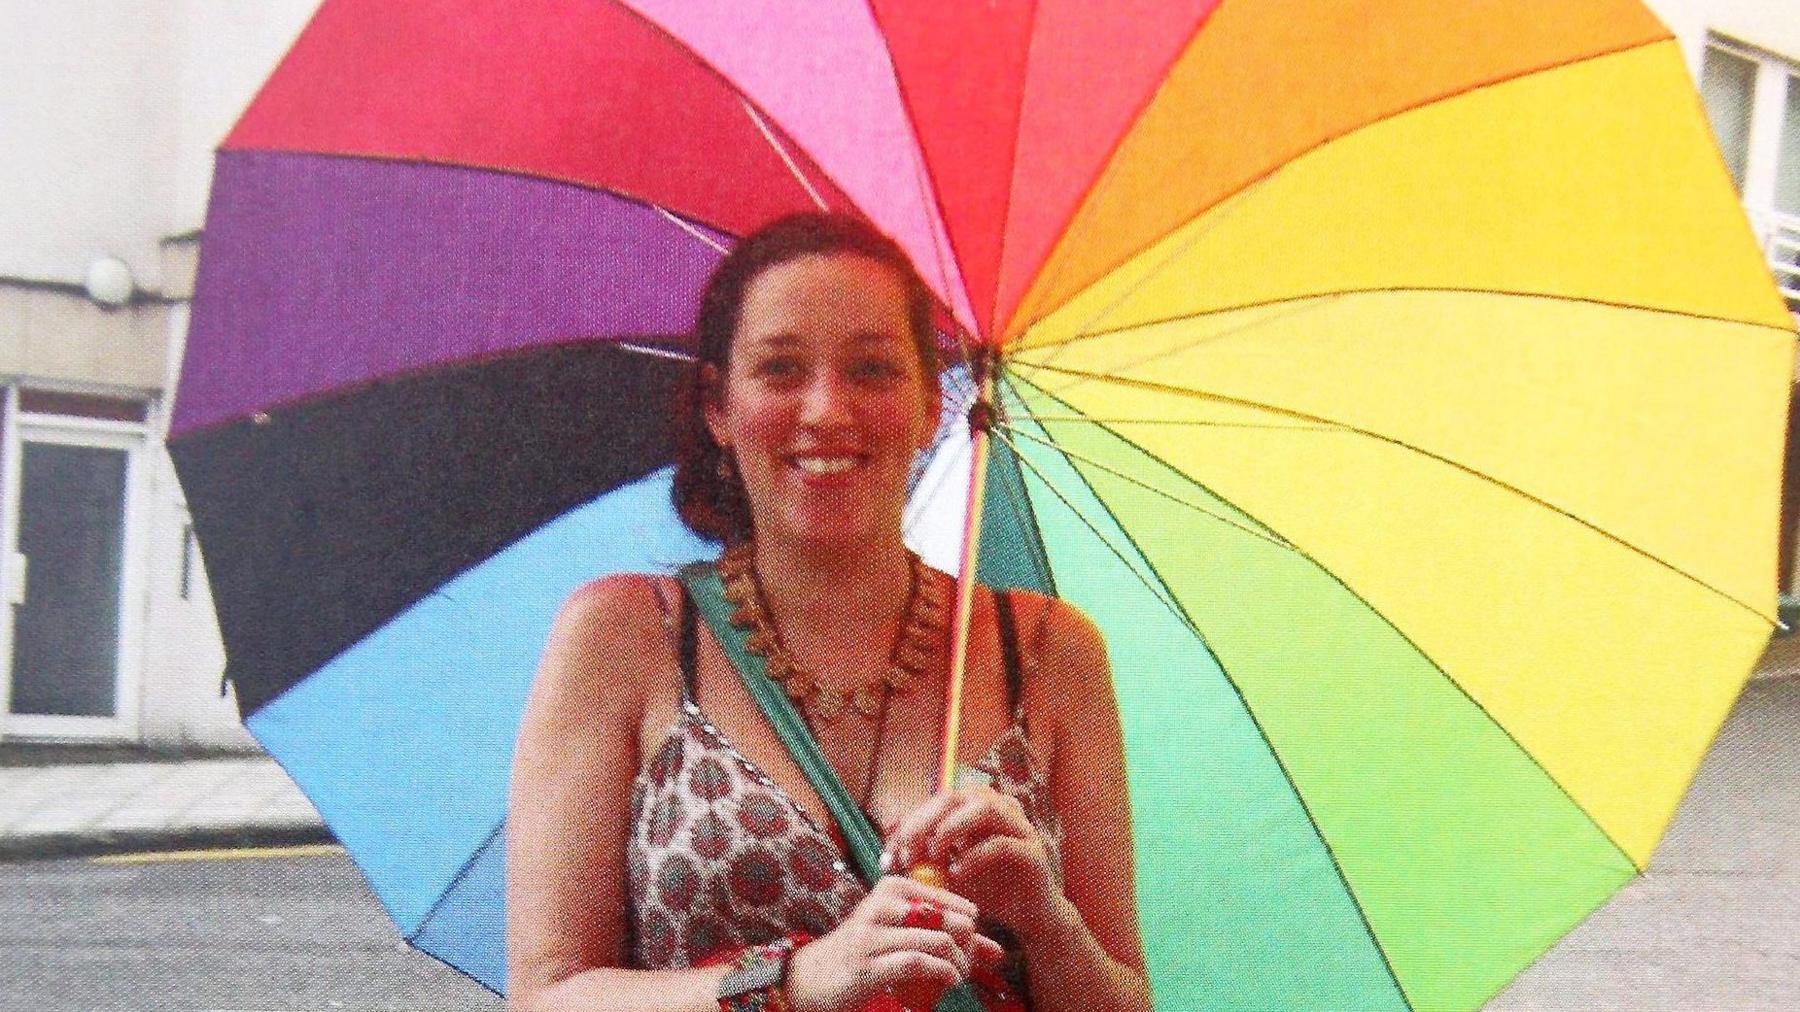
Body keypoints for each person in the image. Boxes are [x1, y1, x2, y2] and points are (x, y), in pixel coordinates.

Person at [506, 212, 1148, 1012]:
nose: (826, 412)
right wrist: (798, 981)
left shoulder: (1050, 649)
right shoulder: (625, 637)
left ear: (931, 408)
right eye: (781, 370)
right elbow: (546, 997)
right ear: (718, 405)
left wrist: (1045, 920)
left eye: (873, 370)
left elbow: (1124, 1000)